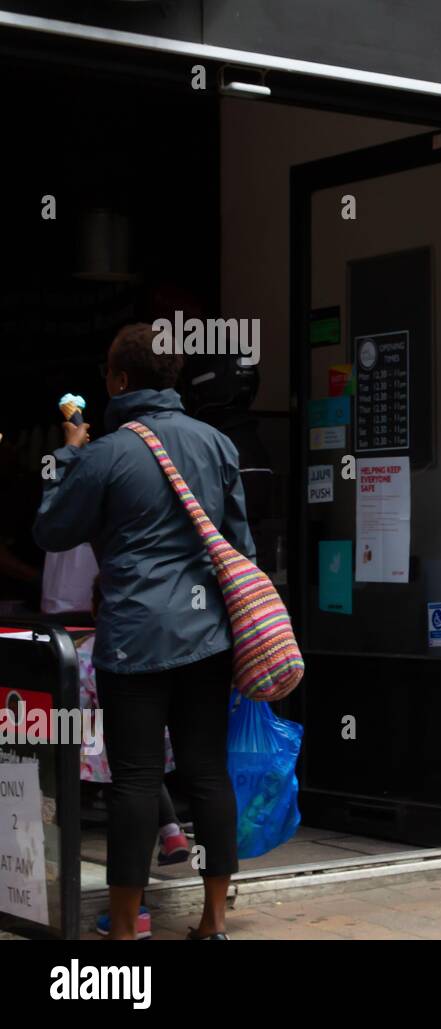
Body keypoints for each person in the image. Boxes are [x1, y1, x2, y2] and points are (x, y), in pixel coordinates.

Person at [33, 322, 254, 940]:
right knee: (209, 774)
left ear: (120, 380)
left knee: (134, 780)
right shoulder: (216, 444)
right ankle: (213, 922)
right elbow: (242, 546)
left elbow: (51, 530)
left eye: (108, 374)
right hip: (209, 638)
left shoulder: (104, 453)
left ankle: (126, 931)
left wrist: (69, 452)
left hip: (132, 642)